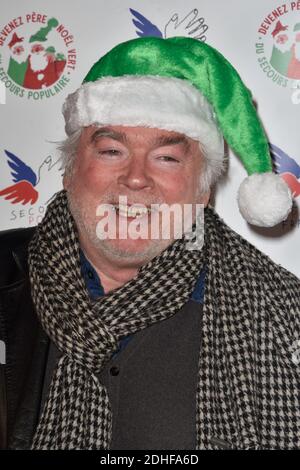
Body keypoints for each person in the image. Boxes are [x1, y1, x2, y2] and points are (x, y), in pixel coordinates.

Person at [0, 36, 299, 451]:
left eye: (167, 158)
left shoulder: (285, 315)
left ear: (203, 191)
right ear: (69, 172)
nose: (136, 178)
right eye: (111, 151)